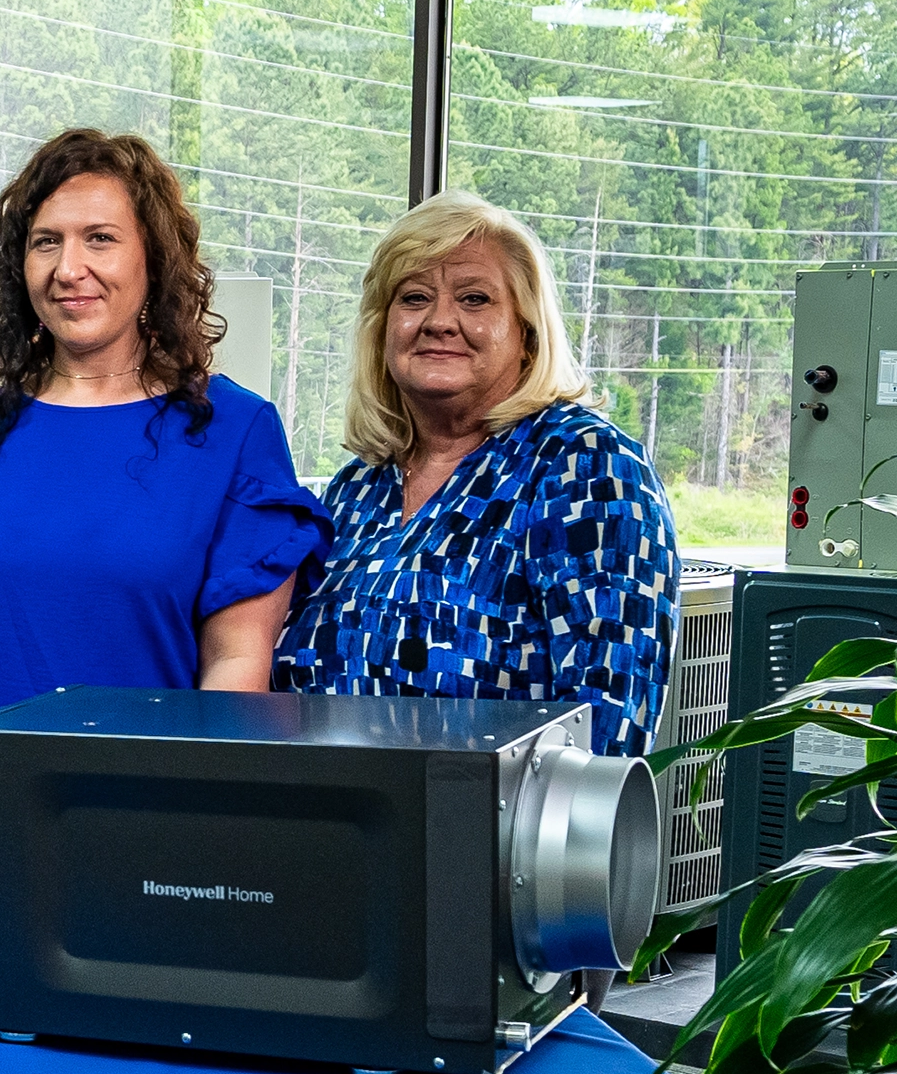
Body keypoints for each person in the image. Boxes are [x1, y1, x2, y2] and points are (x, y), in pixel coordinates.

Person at [0, 127, 330, 942]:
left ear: (156, 263)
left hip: (147, 826)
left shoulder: (234, 433)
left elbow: (234, 662)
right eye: (45, 242)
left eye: (100, 239)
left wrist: (194, 833)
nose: (69, 268)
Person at [274, 190, 679, 759]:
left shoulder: (586, 468)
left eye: (474, 299)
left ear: (526, 332)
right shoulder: (356, 490)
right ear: (382, 329)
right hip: (336, 831)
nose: (440, 321)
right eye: (414, 298)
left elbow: (604, 728)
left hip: (488, 837)